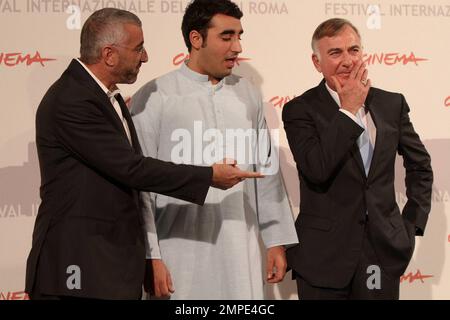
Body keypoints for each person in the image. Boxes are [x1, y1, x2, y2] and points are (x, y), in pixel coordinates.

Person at [25, 8, 261, 300]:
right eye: (138, 49)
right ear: (109, 54)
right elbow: (132, 169)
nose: (146, 56)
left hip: (107, 265)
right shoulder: (72, 100)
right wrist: (209, 176)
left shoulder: (105, 96)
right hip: (78, 265)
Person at [131, 0, 298, 299]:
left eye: (239, 35)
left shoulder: (248, 93)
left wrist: (276, 240)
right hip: (177, 256)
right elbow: (140, 186)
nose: (237, 46)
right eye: (226, 36)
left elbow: (266, 171)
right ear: (196, 39)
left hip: (240, 255)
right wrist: (151, 256)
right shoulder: (155, 96)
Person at [282, 18, 433, 300]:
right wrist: (349, 110)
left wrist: (410, 225)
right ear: (317, 62)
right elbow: (317, 168)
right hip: (322, 256)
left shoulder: (391, 104)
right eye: (335, 53)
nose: (348, 60)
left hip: (381, 251)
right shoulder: (299, 110)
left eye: (353, 50)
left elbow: (420, 166)